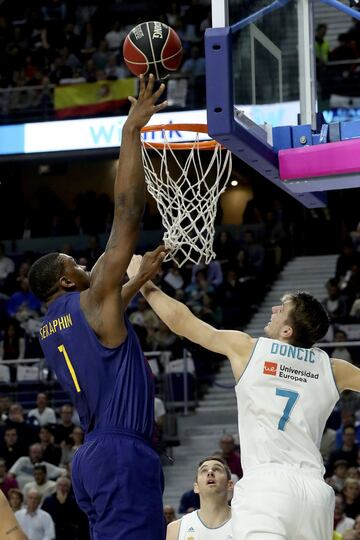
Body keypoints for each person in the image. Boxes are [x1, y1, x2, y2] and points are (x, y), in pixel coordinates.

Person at [128, 252, 360, 540]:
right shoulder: (334, 368)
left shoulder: (249, 349)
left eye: (282, 308)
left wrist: (143, 283)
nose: (274, 308)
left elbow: (183, 322)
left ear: (287, 330)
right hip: (315, 492)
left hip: (267, 486)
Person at [28, 75, 168, 540]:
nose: (87, 264)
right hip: (121, 453)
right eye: (77, 263)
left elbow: (101, 332)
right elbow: (128, 214)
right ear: (68, 279)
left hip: (91, 457)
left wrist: (136, 283)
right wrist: (132, 131)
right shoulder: (90, 300)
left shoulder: (50, 326)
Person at [166, 456, 233, 539]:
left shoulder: (246, 522)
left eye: (217, 469)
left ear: (229, 485)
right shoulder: (176, 529)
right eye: (204, 470)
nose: (210, 472)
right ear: (196, 487)